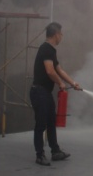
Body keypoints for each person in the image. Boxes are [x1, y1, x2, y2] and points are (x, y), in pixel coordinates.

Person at [30, 22, 82, 166]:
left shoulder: (51, 50)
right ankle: (39, 155)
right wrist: (60, 83)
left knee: (51, 122)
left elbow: (59, 69)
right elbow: (50, 71)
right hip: (39, 92)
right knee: (41, 124)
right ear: (56, 34)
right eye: (61, 34)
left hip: (45, 92)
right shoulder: (46, 49)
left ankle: (55, 151)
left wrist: (73, 83)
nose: (62, 36)